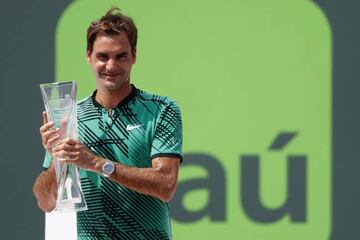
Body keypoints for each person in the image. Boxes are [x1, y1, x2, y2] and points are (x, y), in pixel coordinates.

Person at [33, 7, 182, 240]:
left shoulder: (161, 109)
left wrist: (96, 163)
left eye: (120, 56)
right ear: (89, 56)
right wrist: (57, 161)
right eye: (103, 56)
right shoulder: (71, 116)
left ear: (134, 55)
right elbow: (46, 202)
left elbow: (165, 184)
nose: (111, 66)